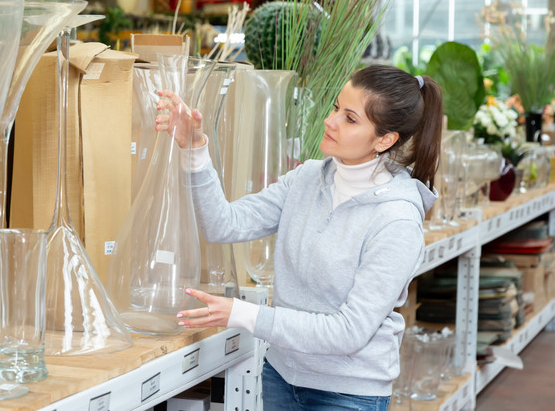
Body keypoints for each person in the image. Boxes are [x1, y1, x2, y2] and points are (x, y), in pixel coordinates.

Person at [155, 65, 442, 411]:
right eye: (336, 107)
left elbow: (349, 331)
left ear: (385, 140)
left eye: (350, 119)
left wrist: (244, 314)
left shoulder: (396, 219)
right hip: (281, 376)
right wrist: (195, 148)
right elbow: (223, 224)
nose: (330, 121)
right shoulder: (306, 179)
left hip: (348, 394)